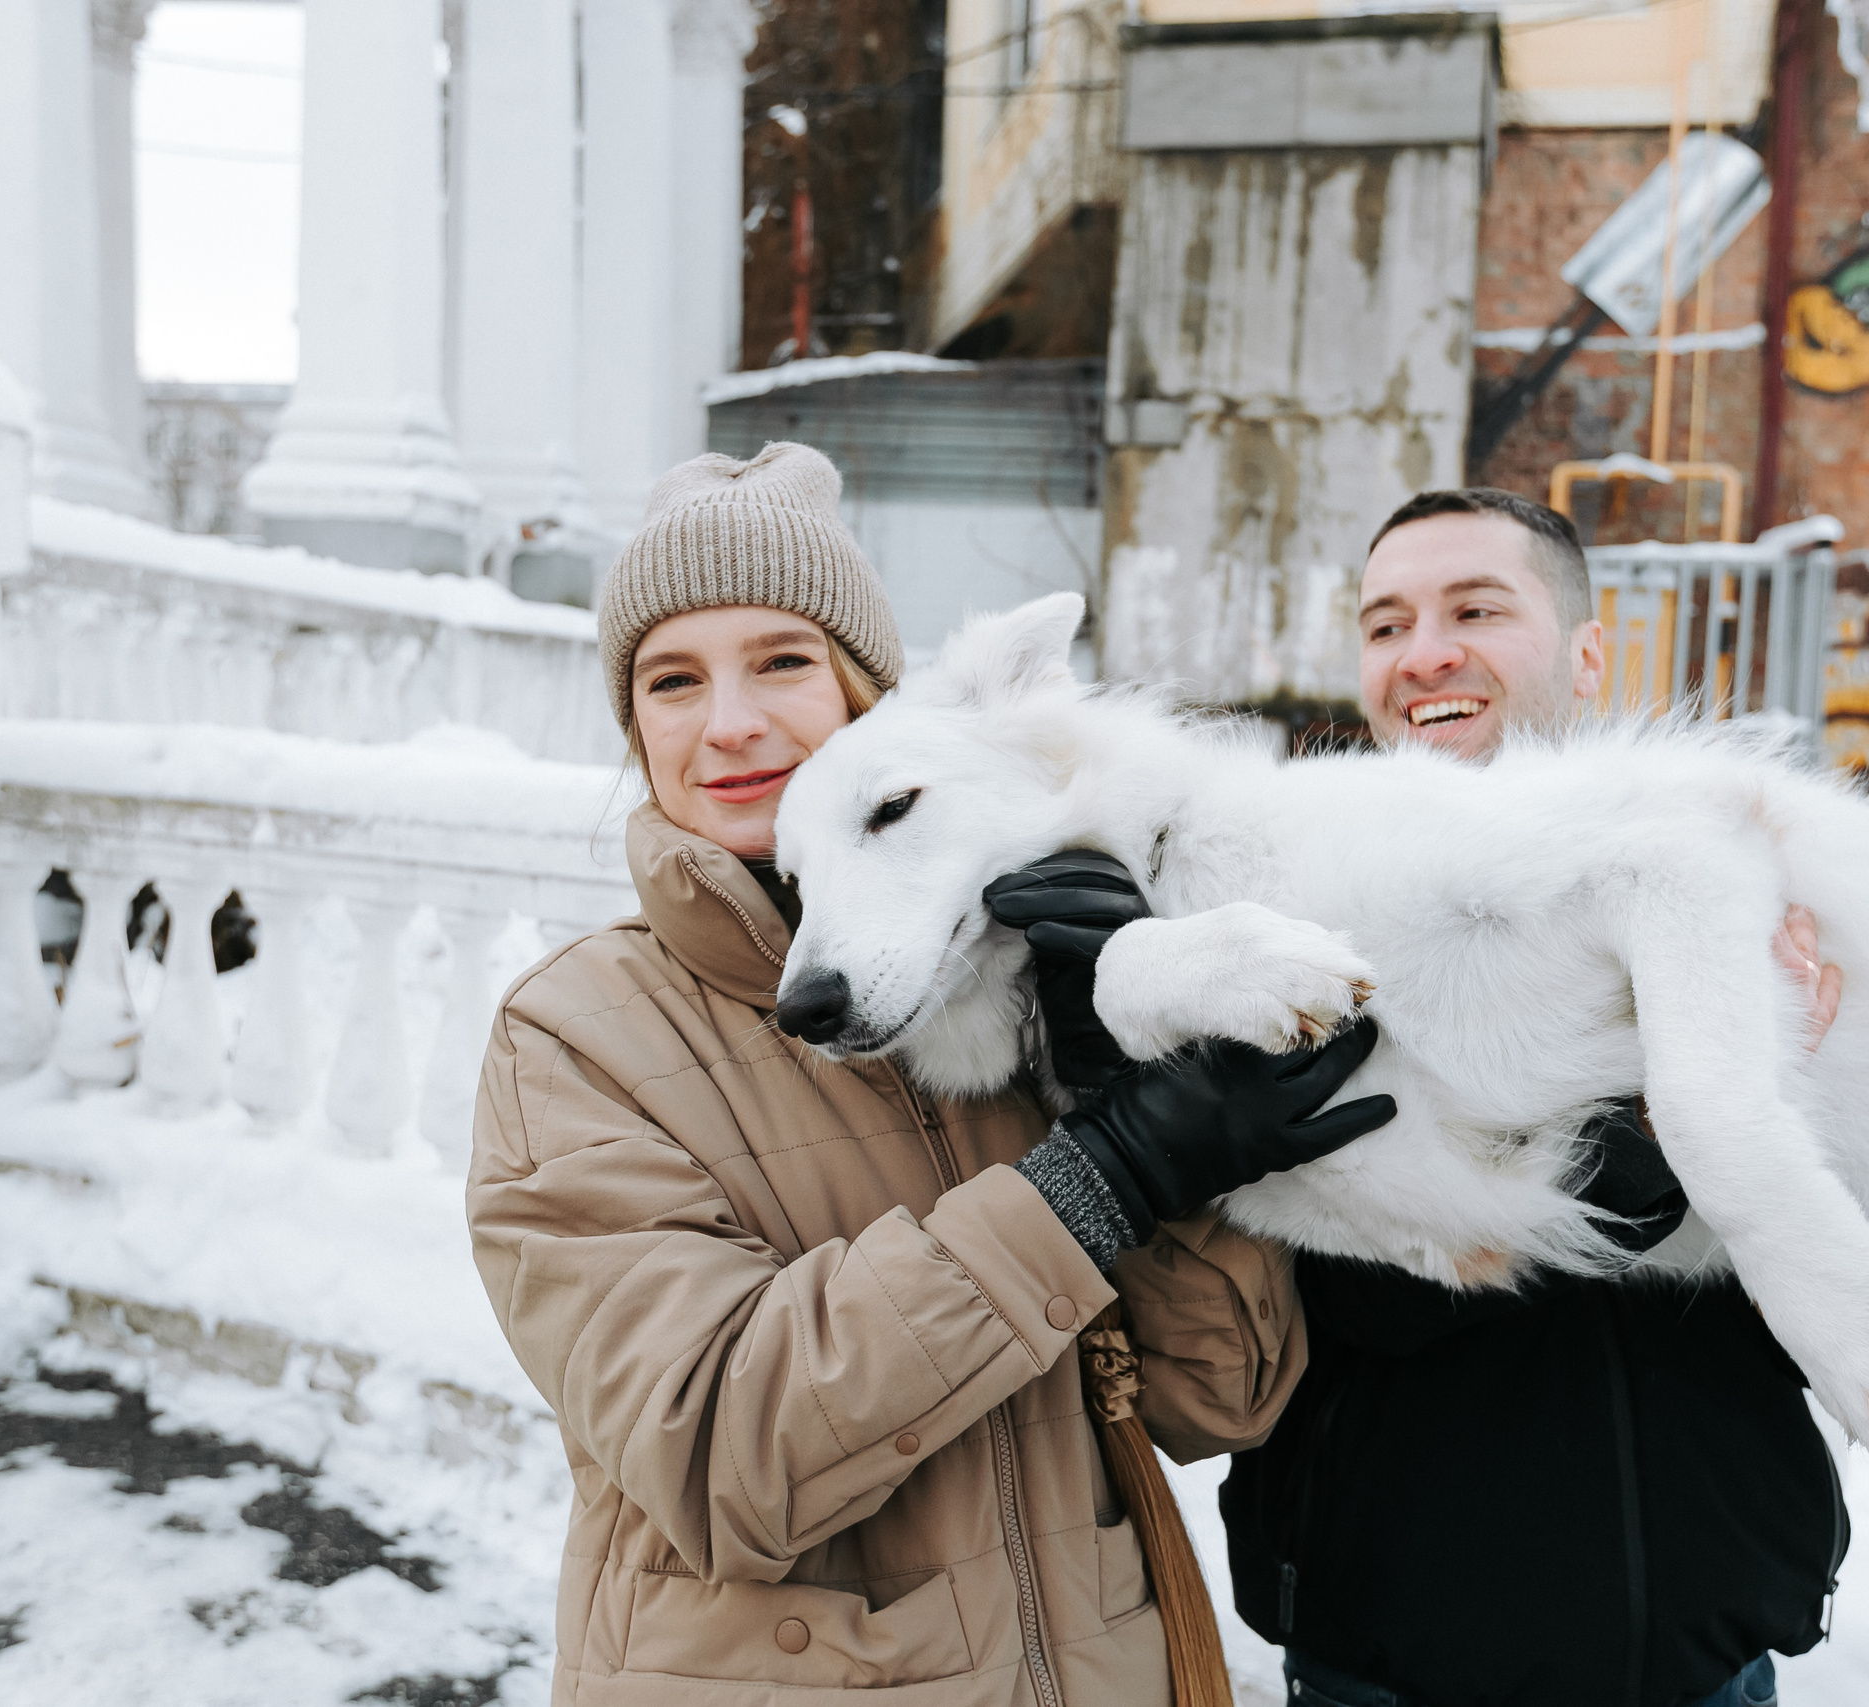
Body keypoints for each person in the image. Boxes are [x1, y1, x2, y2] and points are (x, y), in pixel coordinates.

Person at [465, 441, 1394, 1706]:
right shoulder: (576, 1037)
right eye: (671, 681)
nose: (730, 723)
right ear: (637, 731)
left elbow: (1215, 1401)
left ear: (866, 697)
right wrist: (1097, 1176)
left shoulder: (995, 982)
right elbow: (726, 1463)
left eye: (783, 662)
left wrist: (1145, 1104)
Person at [1199, 488, 1869, 1707]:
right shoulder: (1296, 926)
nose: (1424, 653)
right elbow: (1359, 1299)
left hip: (1703, 1664)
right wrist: (1659, 1134)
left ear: (1588, 652)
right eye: (1385, 623)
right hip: (1391, 1665)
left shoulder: (1772, 897)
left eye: (1475, 609)